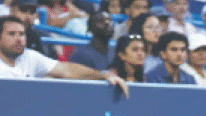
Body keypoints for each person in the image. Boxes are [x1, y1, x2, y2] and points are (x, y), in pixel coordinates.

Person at [0, 15, 129, 97]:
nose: (19, 39)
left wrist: (103, 75)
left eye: (22, 34)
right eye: (11, 34)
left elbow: (67, 70)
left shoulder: (30, 57)